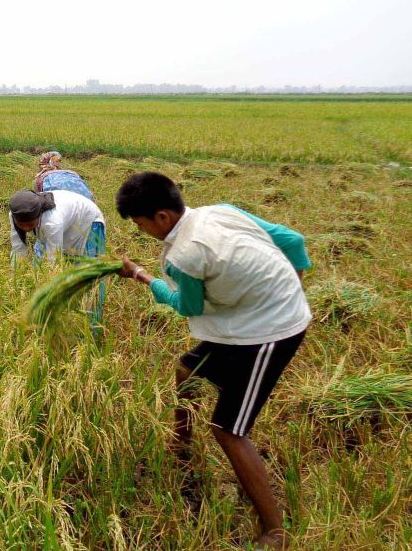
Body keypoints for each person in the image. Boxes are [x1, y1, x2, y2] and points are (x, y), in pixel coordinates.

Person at [115, 172, 312, 551]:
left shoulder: (185, 255)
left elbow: (187, 306)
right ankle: (180, 444)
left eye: (139, 225)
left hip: (269, 332)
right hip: (241, 319)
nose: (140, 232)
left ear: (162, 217)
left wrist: (143, 276)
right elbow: (293, 239)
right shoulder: (220, 211)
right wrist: (293, 282)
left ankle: (276, 531)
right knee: (185, 369)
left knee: (228, 430)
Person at [8, 189, 107, 329]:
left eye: (30, 225)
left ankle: (91, 326)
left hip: (87, 222)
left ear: (39, 215)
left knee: (90, 277)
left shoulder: (52, 222)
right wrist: (17, 277)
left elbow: (52, 261)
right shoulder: (14, 214)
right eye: (21, 225)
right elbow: (18, 248)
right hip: (65, 224)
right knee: (38, 268)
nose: (26, 229)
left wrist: (48, 294)